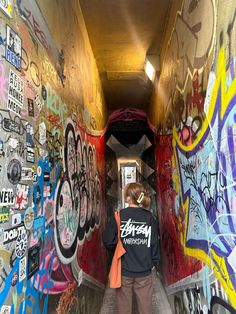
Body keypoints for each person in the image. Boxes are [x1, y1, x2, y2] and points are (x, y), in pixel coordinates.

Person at [102, 182, 160, 314]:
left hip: (124, 270)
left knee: (124, 308)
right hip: (144, 271)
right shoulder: (149, 217)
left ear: (128, 198)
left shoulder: (119, 215)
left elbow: (107, 240)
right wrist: (154, 263)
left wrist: (120, 243)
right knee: (146, 308)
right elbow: (154, 243)